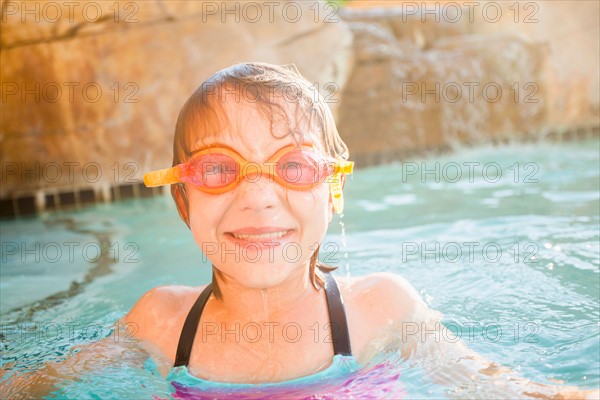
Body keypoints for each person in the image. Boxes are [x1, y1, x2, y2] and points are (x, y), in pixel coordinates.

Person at [1, 62, 596, 399]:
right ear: (182, 201)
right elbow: (35, 385)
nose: (258, 197)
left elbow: (497, 387)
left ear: (333, 190)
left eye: (293, 166)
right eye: (218, 169)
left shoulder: (377, 309)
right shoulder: (161, 322)